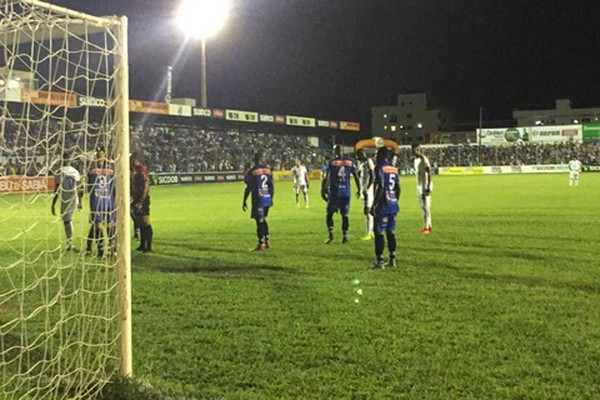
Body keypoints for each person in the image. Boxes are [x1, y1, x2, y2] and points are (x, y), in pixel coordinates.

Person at [321, 145, 360, 244]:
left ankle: (331, 235)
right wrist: (359, 189)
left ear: (335, 151)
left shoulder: (332, 162)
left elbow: (327, 177)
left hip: (335, 193)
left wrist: (323, 189)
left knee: (329, 214)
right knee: (345, 215)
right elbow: (356, 176)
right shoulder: (350, 162)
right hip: (346, 193)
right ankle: (345, 236)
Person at [371, 147, 400, 269]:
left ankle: (379, 260)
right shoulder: (393, 168)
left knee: (378, 232)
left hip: (383, 204)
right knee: (390, 232)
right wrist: (394, 200)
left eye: (377, 154)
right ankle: (392, 259)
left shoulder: (379, 167)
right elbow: (398, 188)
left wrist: (373, 205)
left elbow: (381, 186)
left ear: (381, 156)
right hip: (393, 204)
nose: (376, 157)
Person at [85, 147, 116, 258]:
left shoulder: (92, 171)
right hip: (108, 200)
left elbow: (88, 188)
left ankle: (102, 250)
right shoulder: (112, 171)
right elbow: (115, 188)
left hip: (97, 201)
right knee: (108, 225)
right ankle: (112, 249)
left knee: (99, 226)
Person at [51, 152, 83, 251]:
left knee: (67, 221)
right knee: (67, 221)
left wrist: (53, 204)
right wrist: (80, 202)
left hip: (67, 199)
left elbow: (57, 190)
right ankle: (69, 244)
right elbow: (80, 188)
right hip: (73, 198)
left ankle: (70, 245)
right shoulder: (75, 172)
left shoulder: (59, 172)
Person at [243, 153, 274, 251]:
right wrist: (271, 198)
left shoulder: (253, 171)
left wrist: (244, 201)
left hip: (258, 198)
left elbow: (248, 187)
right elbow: (271, 186)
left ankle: (261, 243)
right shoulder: (268, 170)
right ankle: (267, 241)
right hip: (267, 198)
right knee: (263, 219)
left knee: (259, 221)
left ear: (254, 160)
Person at [131, 153, 153, 253]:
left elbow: (146, 185)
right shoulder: (134, 169)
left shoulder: (141, 169)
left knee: (145, 221)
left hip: (142, 198)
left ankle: (148, 246)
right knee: (139, 221)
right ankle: (142, 245)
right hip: (136, 197)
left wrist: (142, 200)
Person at [412, 144, 433, 234]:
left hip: (425, 186)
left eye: (416, 150)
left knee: (426, 207)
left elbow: (429, 173)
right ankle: (429, 225)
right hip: (420, 186)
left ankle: (426, 227)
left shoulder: (423, 159)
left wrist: (428, 187)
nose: (414, 152)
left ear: (419, 149)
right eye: (413, 150)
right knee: (423, 206)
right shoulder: (415, 160)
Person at [357, 148, 375, 240]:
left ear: (363, 154)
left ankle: (368, 233)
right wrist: (359, 190)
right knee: (367, 211)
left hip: (368, 191)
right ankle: (371, 232)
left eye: (359, 155)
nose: (358, 157)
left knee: (367, 211)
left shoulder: (369, 161)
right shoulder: (362, 164)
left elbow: (372, 176)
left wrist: (367, 189)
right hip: (363, 190)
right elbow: (361, 178)